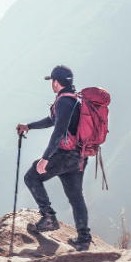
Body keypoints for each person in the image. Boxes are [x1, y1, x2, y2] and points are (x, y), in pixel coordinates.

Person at [16, 65, 92, 251]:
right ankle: (83, 239)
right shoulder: (75, 99)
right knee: (76, 197)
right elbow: (53, 121)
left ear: (56, 82)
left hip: (65, 155)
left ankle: (48, 217)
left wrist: (45, 158)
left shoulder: (63, 102)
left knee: (32, 177)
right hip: (79, 156)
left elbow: (58, 131)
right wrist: (29, 126)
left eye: (52, 81)